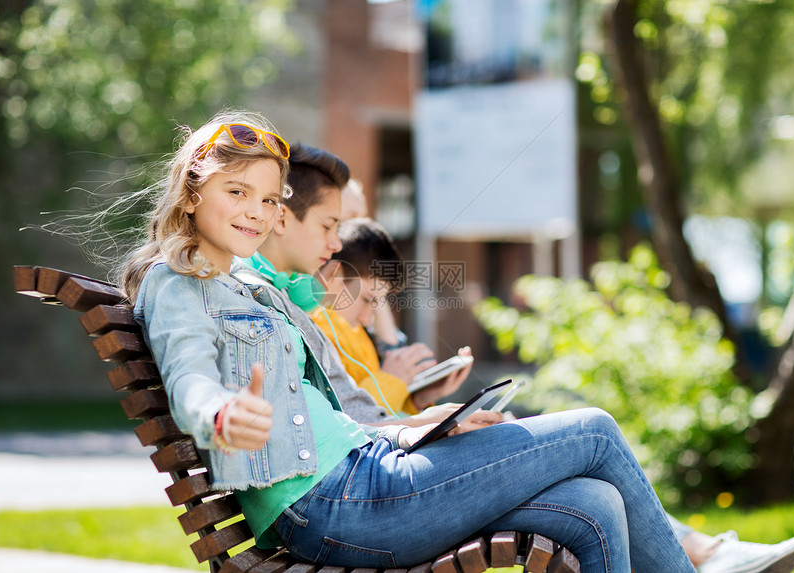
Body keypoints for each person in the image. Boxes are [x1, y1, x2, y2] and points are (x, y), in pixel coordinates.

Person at [121, 109, 698, 572]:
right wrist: (220, 414)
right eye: (237, 192)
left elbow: (333, 413)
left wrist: (418, 426)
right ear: (192, 193)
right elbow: (188, 374)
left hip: (365, 473)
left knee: (594, 507)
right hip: (339, 503)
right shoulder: (179, 282)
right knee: (593, 429)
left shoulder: (249, 286)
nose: (257, 212)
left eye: (269, 199)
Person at [332, 195, 794, 573]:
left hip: (397, 467)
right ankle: (700, 554)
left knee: (596, 497)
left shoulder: (347, 327)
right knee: (594, 431)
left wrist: (425, 401)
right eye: (336, 221)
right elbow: (362, 420)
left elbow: (373, 416)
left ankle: (699, 550)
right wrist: (406, 396)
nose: (343, 234)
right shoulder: (320, 320)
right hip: (387, 487)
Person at [232, 143, 479, 429]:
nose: (339, 243)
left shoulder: (296, 307)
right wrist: (415, 421)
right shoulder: (269, 306)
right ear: (283, 218)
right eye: (331, 225)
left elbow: (352, 413)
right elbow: (344, 419)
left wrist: (421, 404)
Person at [312, 217, 469, 415]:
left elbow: (385, 415)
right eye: (367, 300)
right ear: (334, 275)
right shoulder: (316, 332)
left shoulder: (356, 334)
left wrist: (418, 399)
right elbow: (348, 419)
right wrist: (392, 378)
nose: (367, 319)